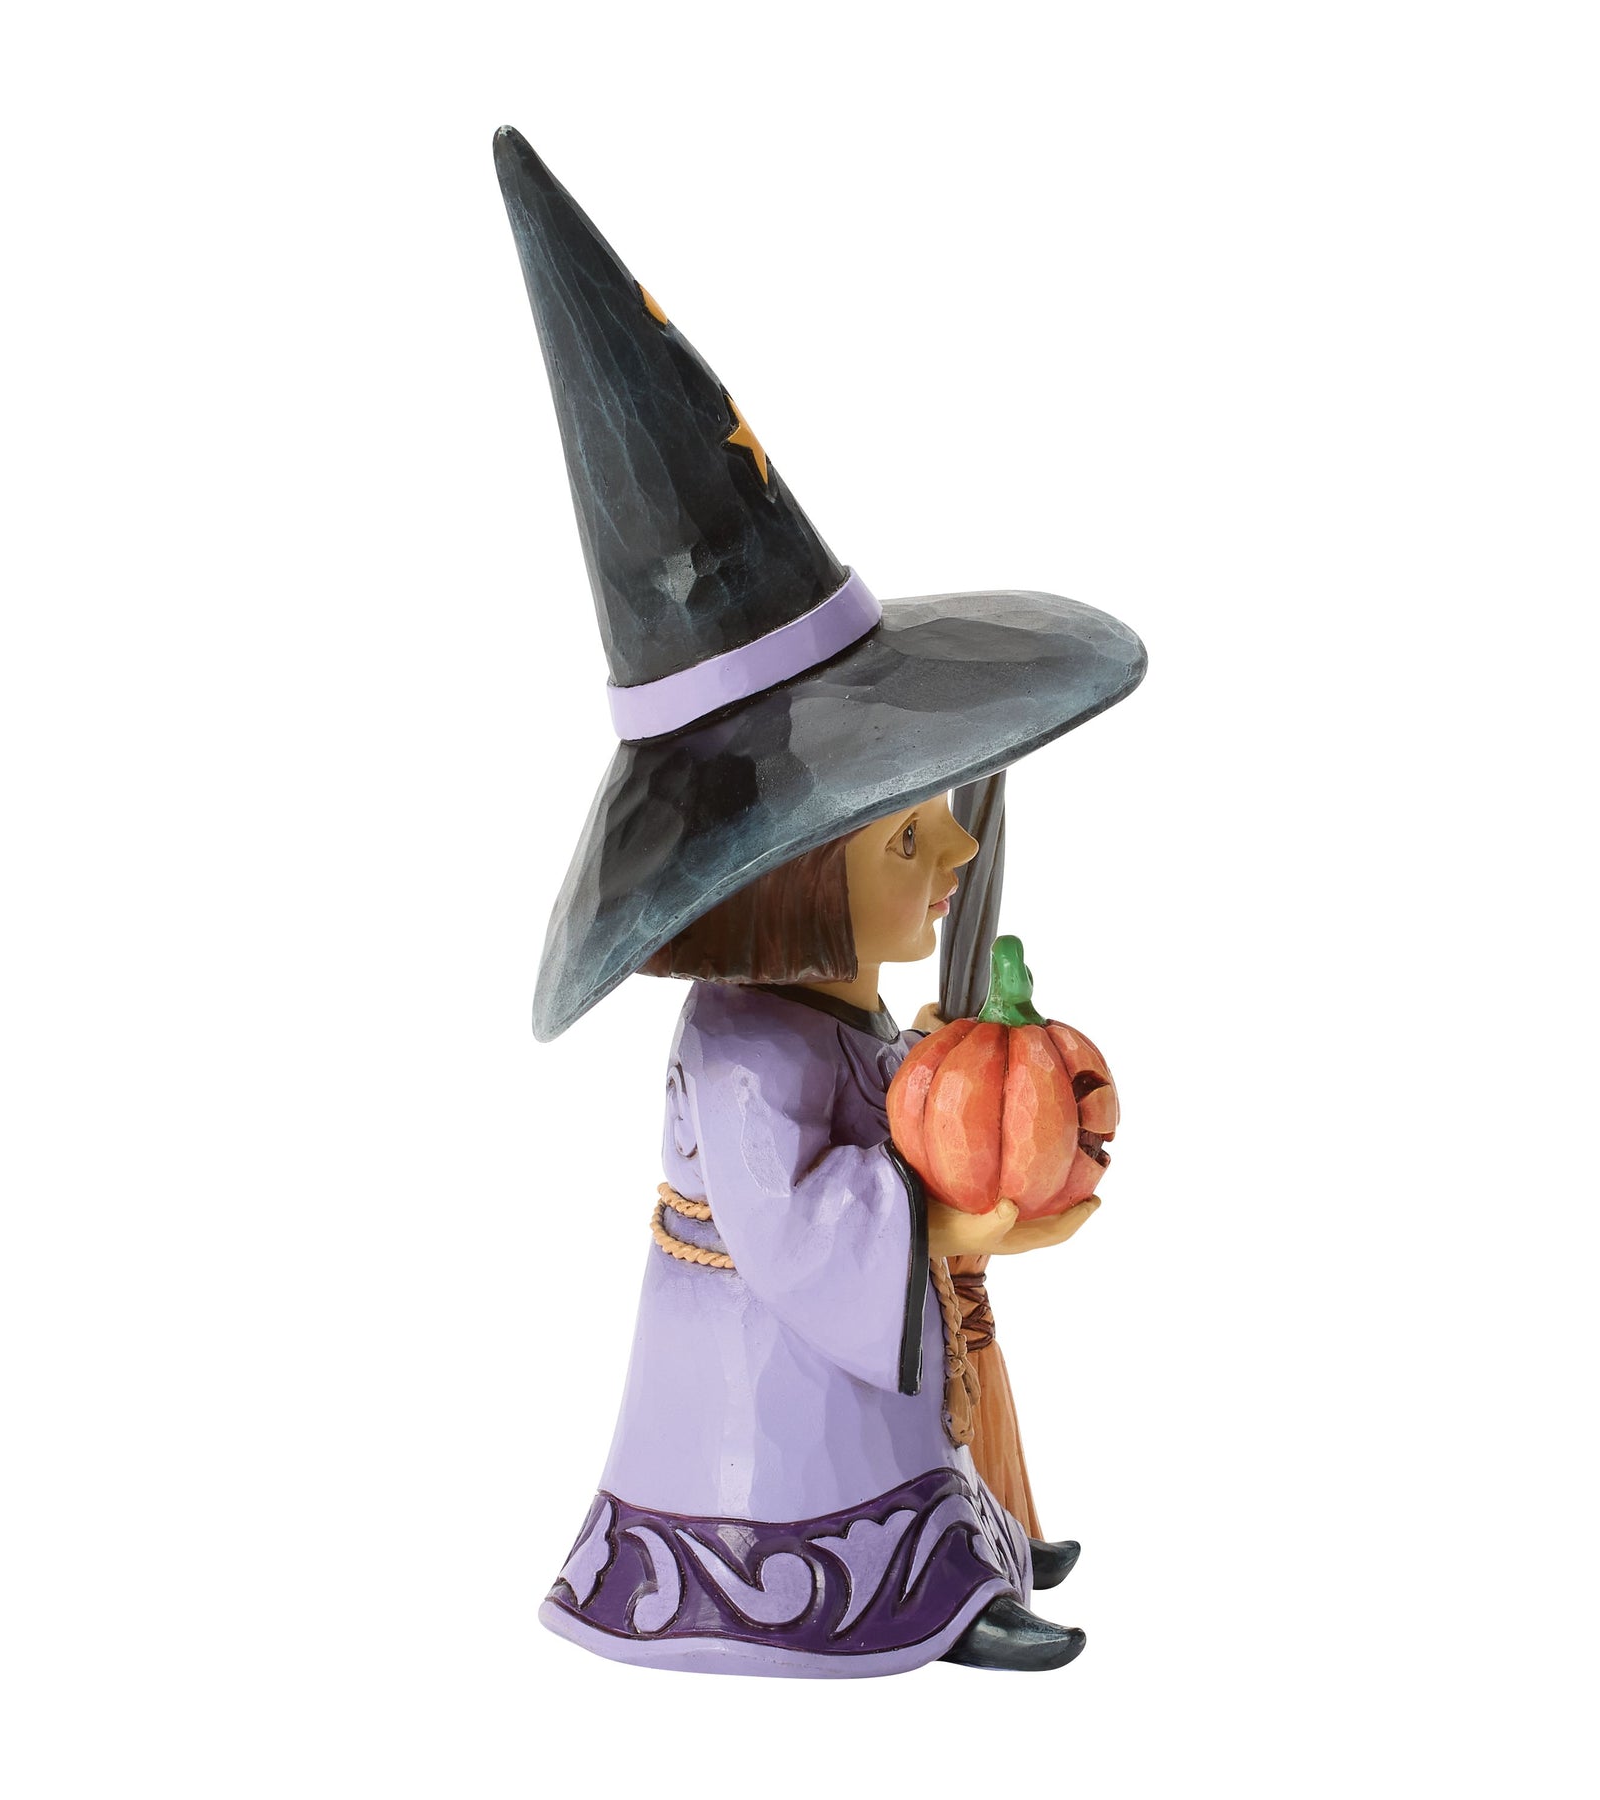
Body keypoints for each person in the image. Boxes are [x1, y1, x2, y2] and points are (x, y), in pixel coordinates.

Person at [493, 130, 1146, 1674]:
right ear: (787, 874)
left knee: (903, 1446)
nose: (950, 856)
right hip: (757, 1414)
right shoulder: (745, 1051)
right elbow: (798, 1240)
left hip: (855, 1374)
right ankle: (848, 1592)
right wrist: (954, 1217)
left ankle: (963, 1545)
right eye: (903, 838)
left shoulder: (833, 1015)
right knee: (830, 1483)